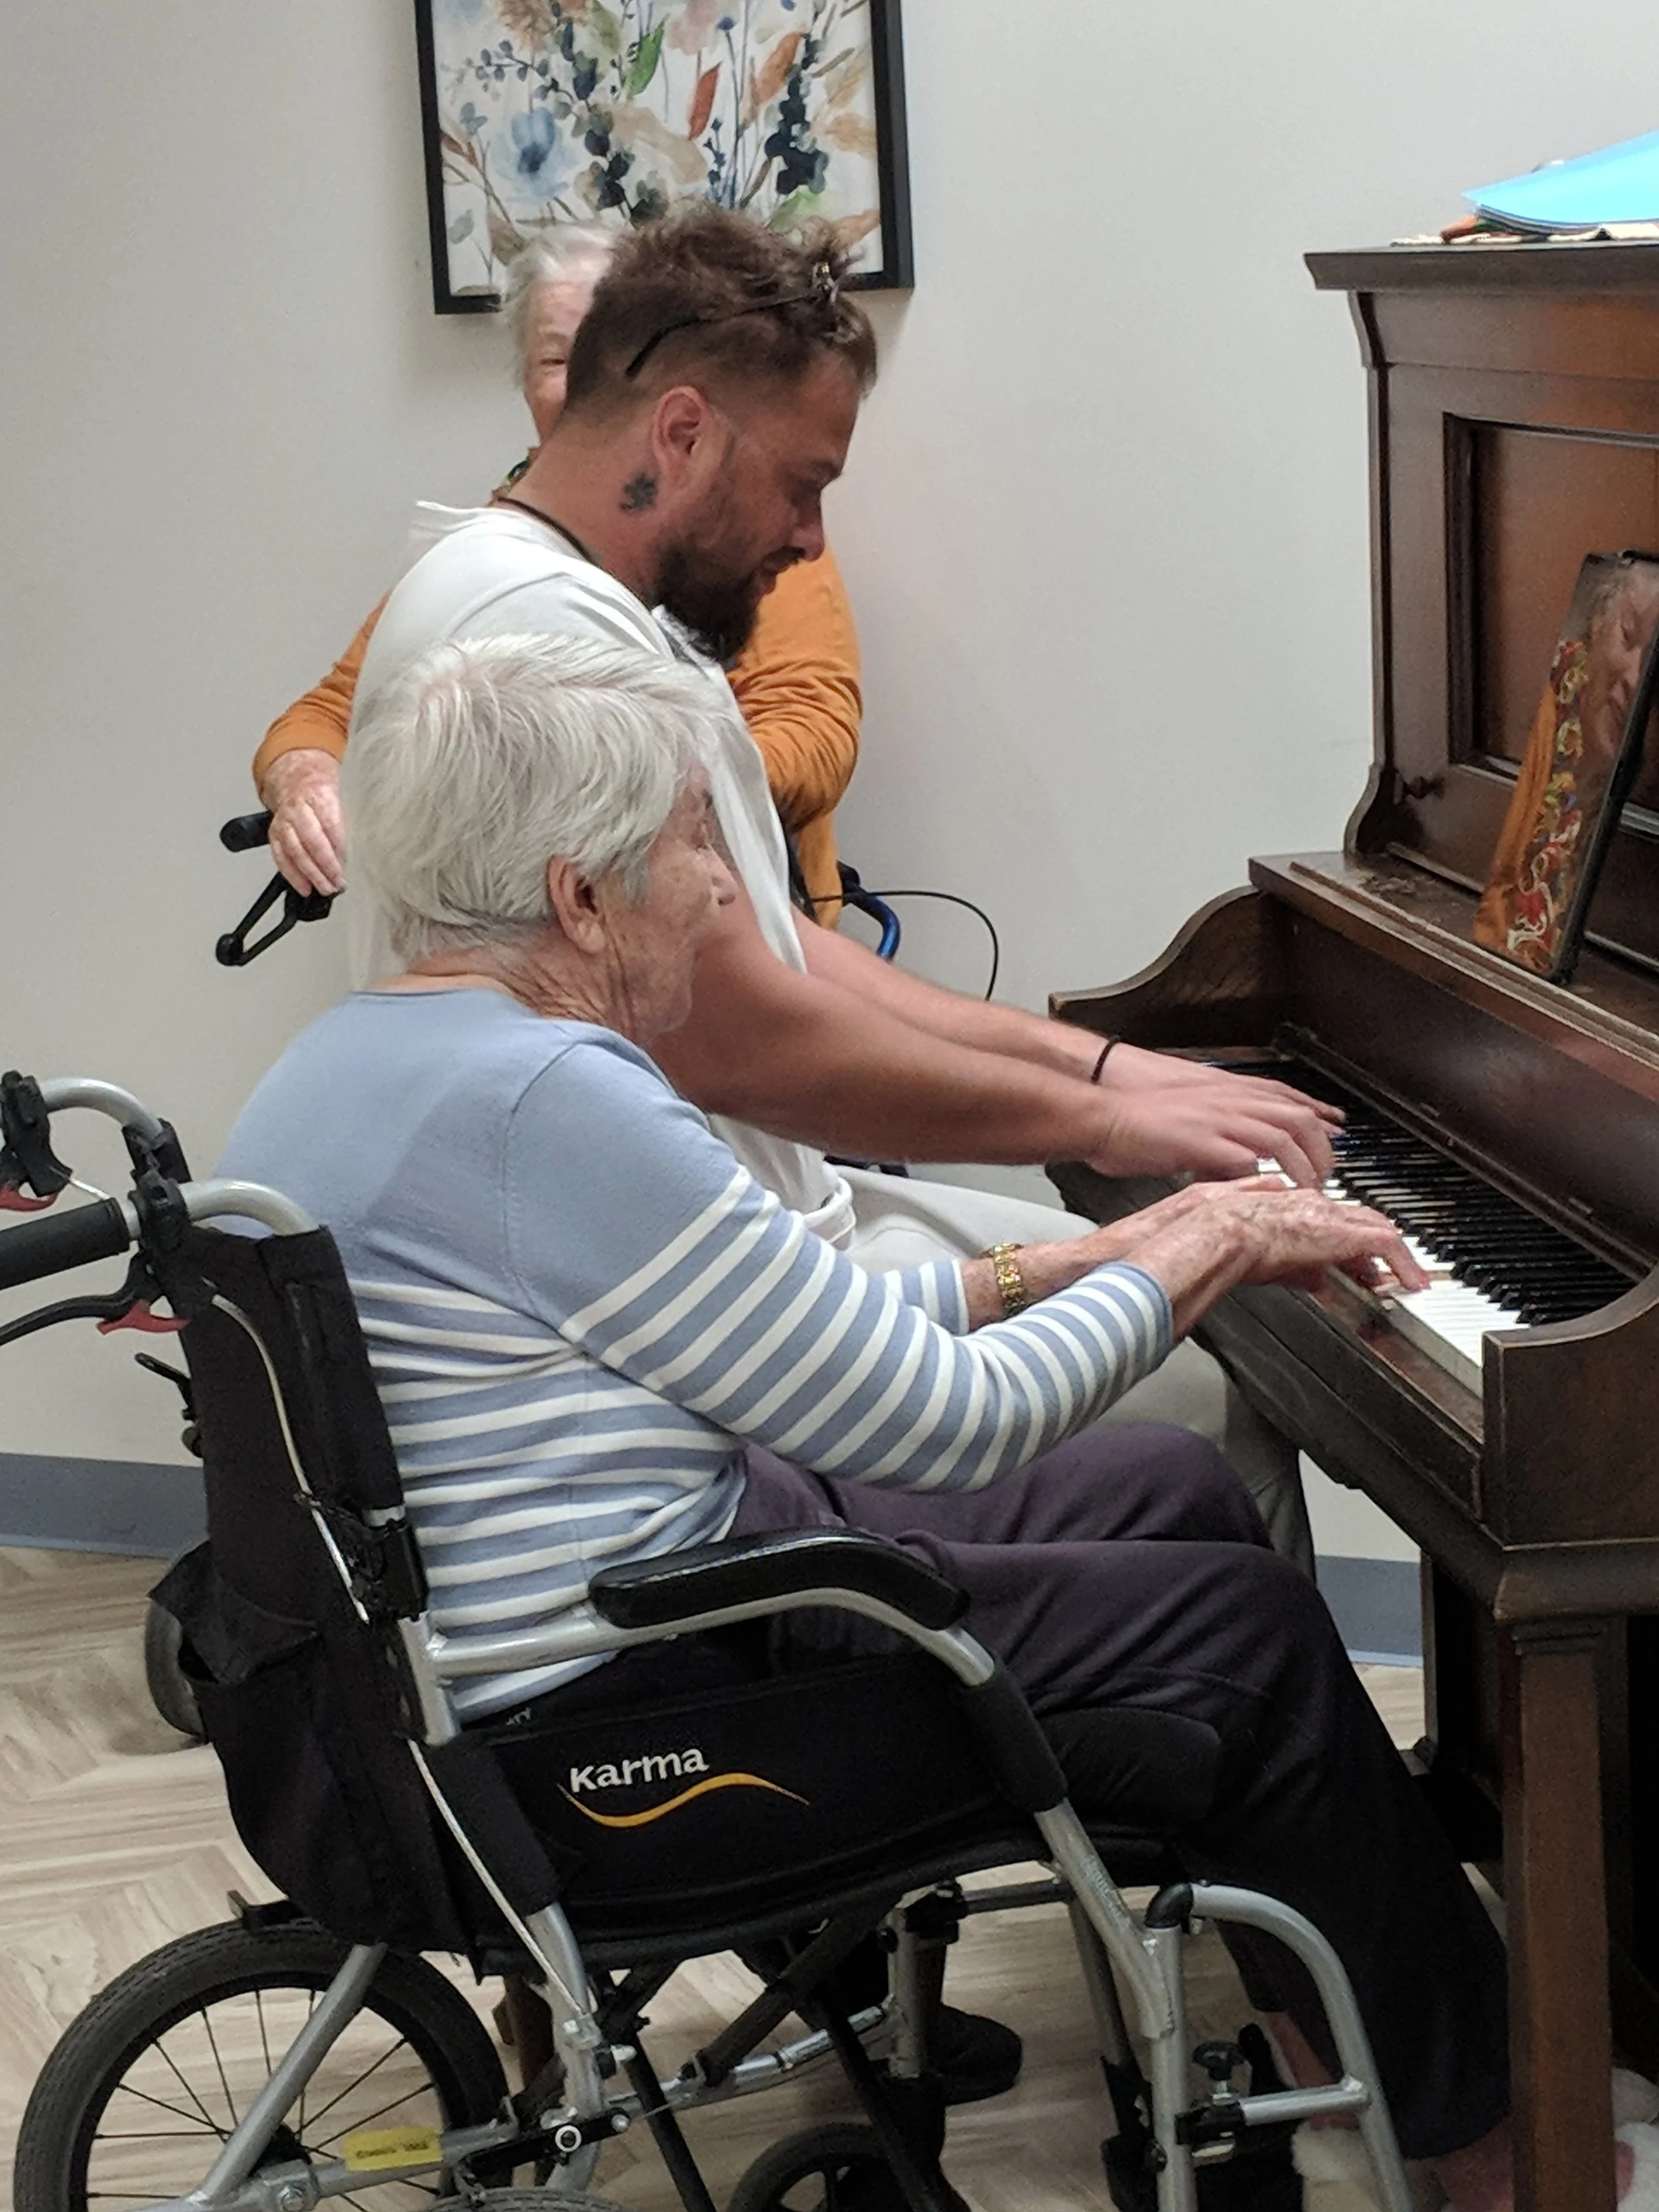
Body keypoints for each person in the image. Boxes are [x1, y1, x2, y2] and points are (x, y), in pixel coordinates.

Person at [216, 632, 1659, 2211]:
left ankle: (1332, 2049)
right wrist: (1202, 1243)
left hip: (532, 1663)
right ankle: (1490, 2156)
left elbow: (787, 1333)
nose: (724, 890)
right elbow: (948, 1431)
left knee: (1168, 1487)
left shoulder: (367, 1057)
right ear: (578, 894)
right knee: (1245, 1631)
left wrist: (1078, 1257)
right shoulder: (551, 1098)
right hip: (619, 1722)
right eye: (698, 842)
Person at [267, 203, 1336, 1567]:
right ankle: (1185, 1741)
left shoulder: (590, 599)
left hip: (747, 1220)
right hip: (676, 1286)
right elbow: (738, 1038)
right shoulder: (538, 635)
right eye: (804, 484)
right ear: (683, 432)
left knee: (1196, 1285)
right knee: (1216, 1394)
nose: (807, 537)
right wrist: (1104, 1127)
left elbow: (770, 947)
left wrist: (1112, 1073)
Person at [253, 222, 861, 923]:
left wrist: (635, 795)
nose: (586, 387)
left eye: (605, 357)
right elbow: (330, 711)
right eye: (556, 360)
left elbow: (816, 728)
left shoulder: (735, 540)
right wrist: (307, 784)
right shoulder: (488, 563)